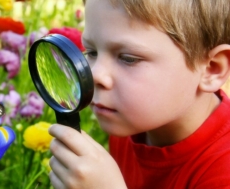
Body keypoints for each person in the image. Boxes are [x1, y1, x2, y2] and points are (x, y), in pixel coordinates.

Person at [48, 0, 230, 188]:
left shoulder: (224, 172)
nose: (94, 74)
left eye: (128, 58)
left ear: (211, 69)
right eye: (92, 52)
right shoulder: (127, 123)